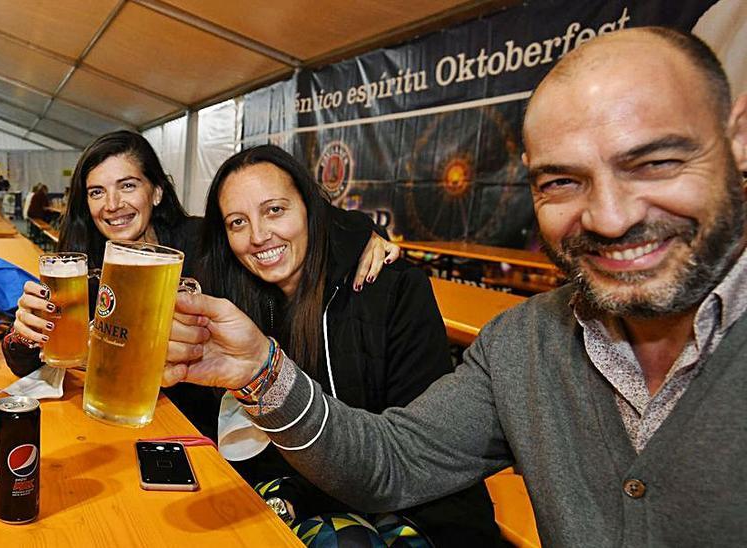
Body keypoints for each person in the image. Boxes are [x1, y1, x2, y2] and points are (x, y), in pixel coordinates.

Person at [164, 28, 747, 545]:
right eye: (563, 181)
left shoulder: (391, 290)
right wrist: (260, 371)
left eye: (654, 164)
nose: (611, 217)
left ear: (737, 138)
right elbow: (391, 460)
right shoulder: (522, 346)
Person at [2, 130, 400, 439]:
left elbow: (278, 228)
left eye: (127, 185)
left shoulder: (204, 243)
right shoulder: (85, 262)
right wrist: (26, 334)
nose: (112, 204)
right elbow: (41, 359)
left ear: (156, 191)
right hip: (115, 418)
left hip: (201, 426)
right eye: (96, 192)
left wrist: (362, 233)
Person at [197, 145, 499, 546]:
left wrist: (360, 232)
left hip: (416, 504)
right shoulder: (242, 302)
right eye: (238, 222)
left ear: (309, 208)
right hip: (300, 491)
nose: (257, 236)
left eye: (275, 210)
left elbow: (414, 454)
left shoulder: (391, 290)